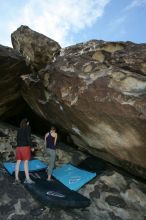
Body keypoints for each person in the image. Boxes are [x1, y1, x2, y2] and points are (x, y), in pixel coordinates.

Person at [15, 118, 35, 184]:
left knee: (18, 162)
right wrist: (31, 147)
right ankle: (27, 179)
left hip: (18, 147)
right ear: (27, 123)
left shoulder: (19, 129)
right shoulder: (28, 127)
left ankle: (16, 179)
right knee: (26, 163)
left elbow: (17, 139)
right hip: (25, 147)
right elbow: (28, 137)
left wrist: (19, 145)